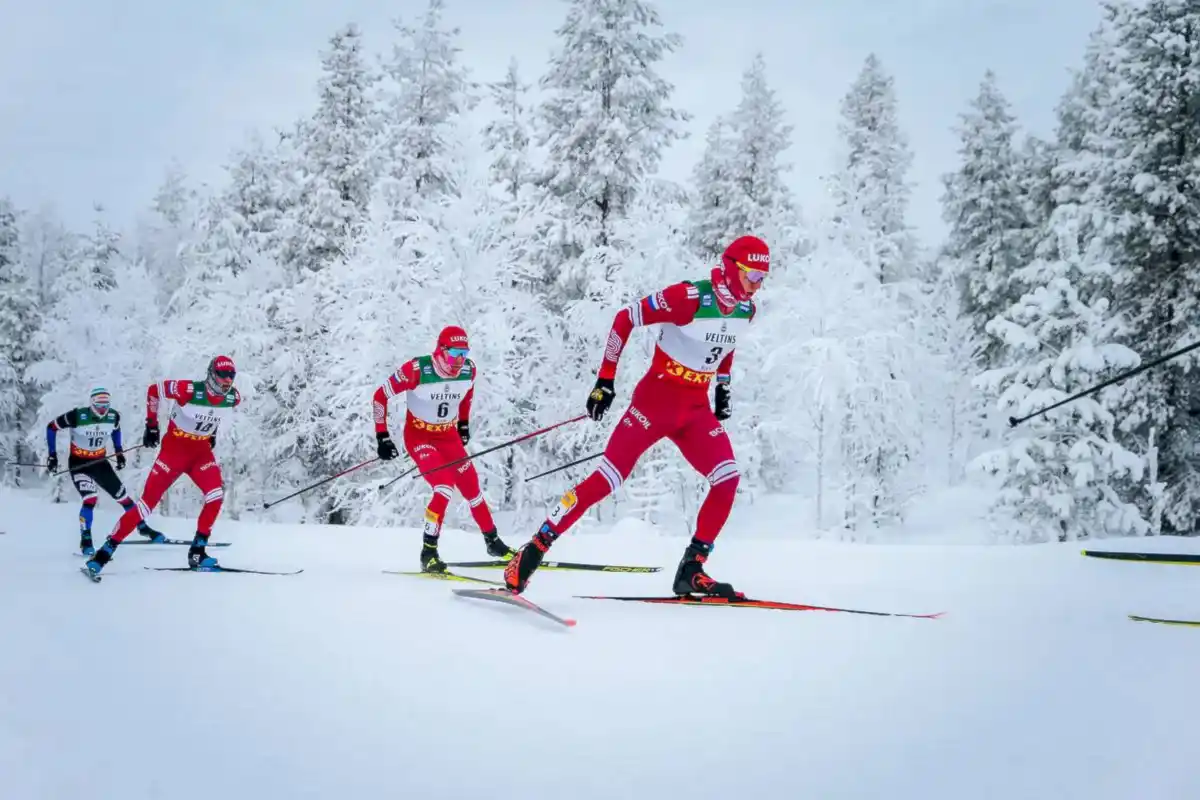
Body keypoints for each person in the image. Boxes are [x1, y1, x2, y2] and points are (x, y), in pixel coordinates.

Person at [504, 235, 771, 599]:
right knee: (606, 480)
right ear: (730, 268)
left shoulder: (746, 310)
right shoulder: (689, 297)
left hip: (694, 410)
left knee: (727, 479)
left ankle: (691, 569)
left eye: (762, 278)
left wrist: (723, 384)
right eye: (752, 275)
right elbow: (625, 318)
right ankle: (534, 549)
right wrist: (605, 381)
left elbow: (725, 343)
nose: (757, 285)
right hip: (654, 404)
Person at [83, 356, 241, 578]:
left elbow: (214, 415)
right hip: (174, 452)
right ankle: (104, 553)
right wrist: (151, 425)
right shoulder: (188, 389)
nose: (227, 381)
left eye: (231, 377)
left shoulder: (233, 398)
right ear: (211, 374)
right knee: (146, 506)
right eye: (222, 375)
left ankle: (197, 552)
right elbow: (154, 390)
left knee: (215, 497)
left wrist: (211, 434)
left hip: (200, 454)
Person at [373, 325, 515, 572]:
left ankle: (493, 542)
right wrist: (382, 436)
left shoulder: (469, 371)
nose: (459, 361)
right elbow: (379, 396)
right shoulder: (417, 370)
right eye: (454, 354)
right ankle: (428, 552)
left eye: (464, 353)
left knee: (472, 486)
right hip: (420, 437)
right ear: (440, 351)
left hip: (448, 436)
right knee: (443, 487)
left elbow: (467, 395)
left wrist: (463, 423)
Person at [46, 387, 164, 556]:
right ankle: (86, 540)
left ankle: (143, 527)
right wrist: (52, 455)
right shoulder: (77, 415)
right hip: (79, 463)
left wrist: (119, 452)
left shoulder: (113, 416)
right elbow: (51, 428)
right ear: (92, 403)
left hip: (100, 462)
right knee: (90, 498)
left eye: (106, 404)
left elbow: (116, 430)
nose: (103, 408)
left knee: (124, 498)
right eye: (99, 404)